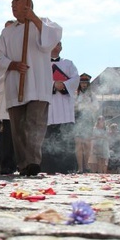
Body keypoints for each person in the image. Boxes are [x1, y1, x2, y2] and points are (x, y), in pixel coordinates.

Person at [0, 0, 63, 177]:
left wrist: (33, 18)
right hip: (15, 83)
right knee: (18, 127)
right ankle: (23, 164)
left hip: (37, 83)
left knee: (35, 124)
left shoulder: (44, 24)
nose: (13, 7)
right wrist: (12, 64)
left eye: (17, 4)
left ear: (28, 6)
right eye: (12, 5)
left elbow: (52, 40)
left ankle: (33, 162)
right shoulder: (7, 32)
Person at [42, 41, 79, 174]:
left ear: (61, 47)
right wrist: (53, 84)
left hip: (65, 109)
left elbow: (76, 79)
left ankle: (68, 168)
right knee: (48, 140)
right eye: (53, 43)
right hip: (49, 108)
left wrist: (63, 85)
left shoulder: (68, 63)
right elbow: (38, 80)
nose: (56, 46)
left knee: (66, 139)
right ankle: (48, 168)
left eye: (58, 44)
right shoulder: (41, 64)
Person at [73, 73, 97, 173]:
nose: (83, 85)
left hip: (87, 119)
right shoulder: (75, 94)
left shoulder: (92, 95)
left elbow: (96, 107)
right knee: (78, 144)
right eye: (82, 83)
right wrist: (79, 105)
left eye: (85, 83)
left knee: (87, 144)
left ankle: (86, 164)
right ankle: (80, 168)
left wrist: (87, 105)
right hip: (78, 118)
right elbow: (73, 107)